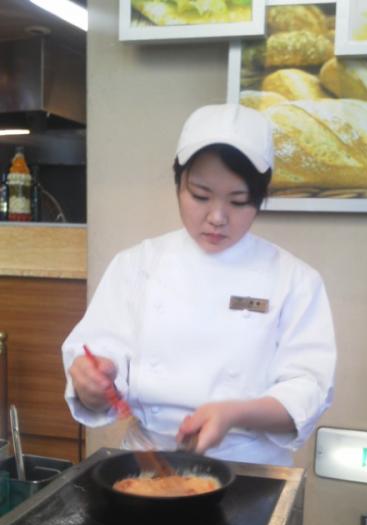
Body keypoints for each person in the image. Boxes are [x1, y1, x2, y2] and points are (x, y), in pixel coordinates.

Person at [62, 103, 336, 466]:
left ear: (259, 198)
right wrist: (92, 383)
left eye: (238, 201)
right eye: (200, 196)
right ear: (179, 185)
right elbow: (99, 359)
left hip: (249, 469)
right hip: (148, 461)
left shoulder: (295, 279)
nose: (217, 217)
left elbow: (308, 389)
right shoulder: (137, 264)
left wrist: (234, 413)